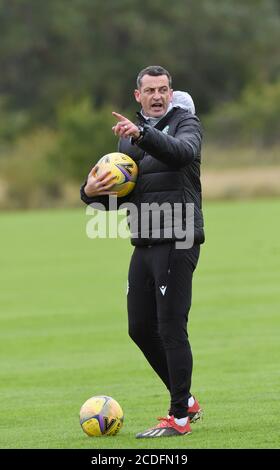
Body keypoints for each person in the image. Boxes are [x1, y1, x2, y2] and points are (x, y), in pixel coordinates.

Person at [80, 65, 204, 438]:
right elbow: (119, 204)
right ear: (138, 95)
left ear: (170, 92)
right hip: (144, 242)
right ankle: (188, 401)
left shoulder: (187, 124)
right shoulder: (128, 141)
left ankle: (178, 416)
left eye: (163, 89)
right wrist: (91, 191)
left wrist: (143, 133)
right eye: (149, 90)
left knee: (170, 328)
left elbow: (182, 154)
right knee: (139, 328)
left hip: (178, 238)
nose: (157, 95)